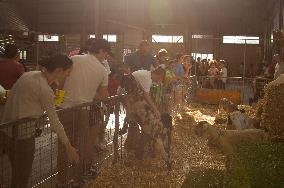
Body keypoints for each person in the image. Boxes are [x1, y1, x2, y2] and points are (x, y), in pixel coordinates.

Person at [1, 54, 79, 188]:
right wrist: (68, 146)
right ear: (59, 71)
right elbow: (54, 121)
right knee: (20, 178)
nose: (68, 76)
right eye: (67, 72)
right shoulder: (44, 90)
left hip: (4, 130)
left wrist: (54, 85)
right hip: (23, 138)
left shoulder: (29, 75)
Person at [58, 38, 111, 183]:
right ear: (100, 51)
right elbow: (103, 96)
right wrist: (92, 92)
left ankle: (61, 181)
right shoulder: (102, 70)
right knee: (80, 145)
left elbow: (60, 81)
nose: (106, 56)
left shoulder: (74, 59)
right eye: (106, 53)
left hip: (64, 109)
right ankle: (77, 179)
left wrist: (57, 102)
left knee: (64, 145)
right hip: (83, 111)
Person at [121, 67, 172, 170]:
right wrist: (156, 110)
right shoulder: (147, 78)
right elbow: (146, 96)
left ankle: (136, 153)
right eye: (160, 79)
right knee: (153, 132)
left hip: (132, 101)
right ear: (159, 75)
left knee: (144, 129)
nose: (158, 81)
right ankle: (166, 159)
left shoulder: (145, 74)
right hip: (133, 101)